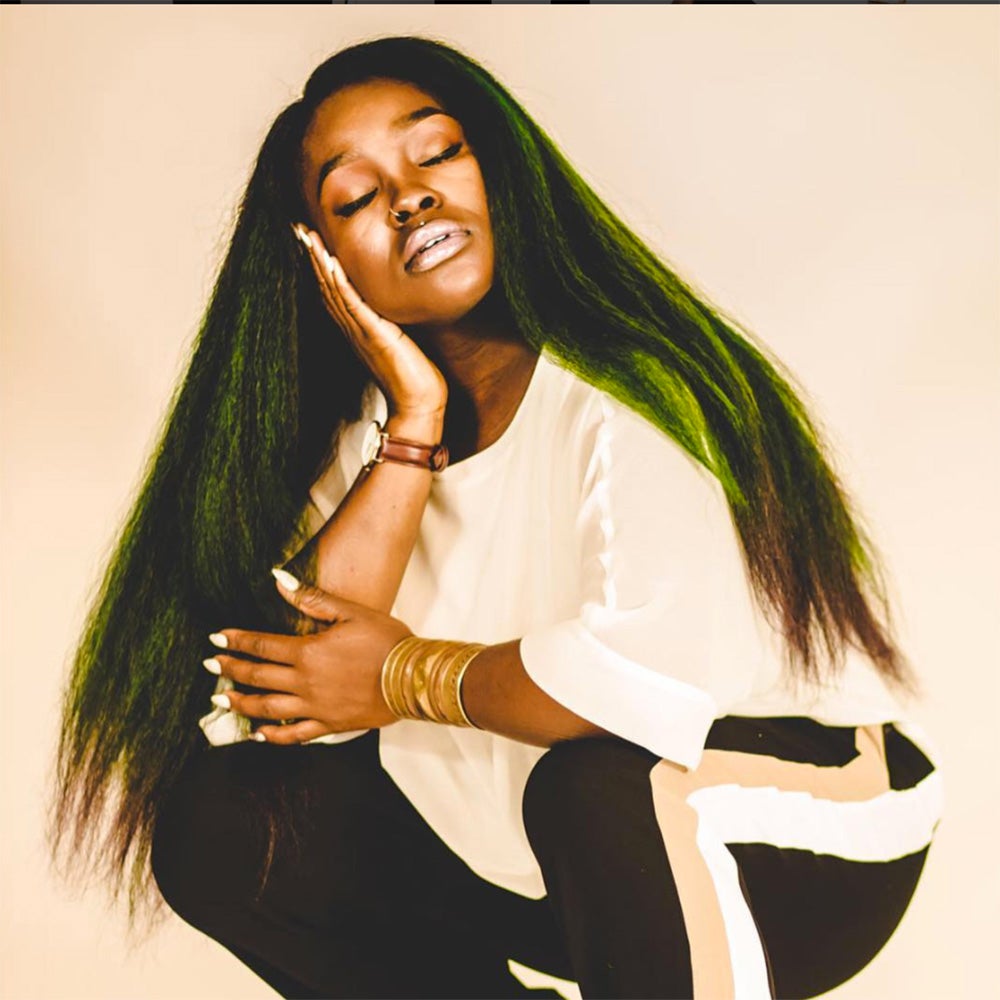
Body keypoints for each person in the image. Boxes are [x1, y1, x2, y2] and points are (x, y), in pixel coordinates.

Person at [48, 35, 942, 1000]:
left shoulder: (631, 390)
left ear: (502, 170)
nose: (409, 197)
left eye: (437, 152)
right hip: (545, 873)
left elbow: (634, 688)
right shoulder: (364, 452)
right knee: (230, 829)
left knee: (598, 785)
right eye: (354, 198)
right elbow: (286, 707)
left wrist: (399, 674)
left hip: (805, 832)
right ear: (321, 258)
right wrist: (412, 426)